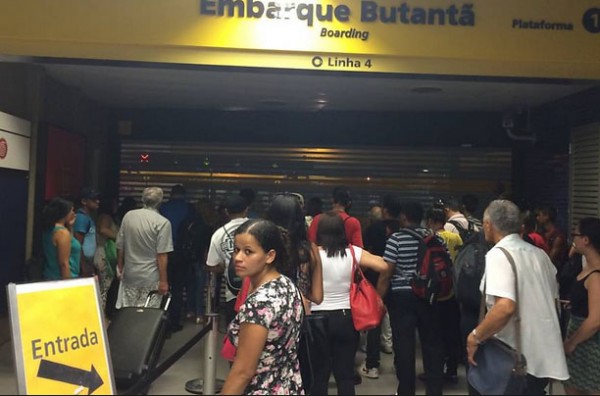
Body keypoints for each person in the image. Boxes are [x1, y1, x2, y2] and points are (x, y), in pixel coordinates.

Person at [466, 199, 569, 394]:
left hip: (513, 359)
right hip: (543, 358)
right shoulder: (540, 255)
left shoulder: (498, 255)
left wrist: (475, 336)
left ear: (488, 225)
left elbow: (505, 307)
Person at [221, 219, 304, 395]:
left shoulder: (259, 305)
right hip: (288, 386)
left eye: (248, 252)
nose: (237, 258)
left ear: (270, 255)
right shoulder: (286, 285)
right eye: (236, 250)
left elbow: (243, 371)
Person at [310, 211, 389, 396]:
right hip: (346, 319)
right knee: (345, 375)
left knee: (319, 375)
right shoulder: (352, 252)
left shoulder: (312, 253)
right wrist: (357, 269)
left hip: (316, 319)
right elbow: (384, 266)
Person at [376, 201, 444, 396]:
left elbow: (386, 273)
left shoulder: (396, 238)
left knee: (404, 347)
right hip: (429, 297)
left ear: (404, 217)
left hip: (402, 297)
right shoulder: (435, 238)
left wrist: (378, 300)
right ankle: (434, 390)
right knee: (431, 345)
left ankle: (406, 390)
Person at [116, 187, 173, 308]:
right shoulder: (163, 223)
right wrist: (163, 281)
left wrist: (120, 267)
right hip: (150, 277)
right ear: (160, 201)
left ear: (142, 199)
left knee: (128, 310)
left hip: (130, 275)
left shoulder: (128, 216)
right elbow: (162, 255)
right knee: (147, 314)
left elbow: (121, 245)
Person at [562, 217, 600, 395]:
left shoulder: (595, 276)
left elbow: (595, 320)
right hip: (580, 339)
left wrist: (571, 342)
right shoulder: (586, 267)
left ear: (586, 240)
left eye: (575, 235)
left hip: (589, 344)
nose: (573, 240)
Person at [265, 193, 323, 310]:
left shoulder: (263, 247)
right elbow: (317, 297)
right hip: (297, 316)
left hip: (266, 312)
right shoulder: (310, 250)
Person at [206, 195, 249, 326]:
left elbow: (211, 265)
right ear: (246, 210)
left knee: (234, 335)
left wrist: (225, 267)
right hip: (259, 289)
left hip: (233, 292)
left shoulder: (219, 234)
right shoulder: (258, 227)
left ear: (226, 212)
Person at [160, 184, 193, 332]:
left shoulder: (162, 208)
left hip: (162, 251)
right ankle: (174, 321)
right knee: (178, 288)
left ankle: (160, 320)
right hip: (181, 253)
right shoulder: (189, 209)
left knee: (162, 285)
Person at [41, 197, 81, 279]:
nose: (74, 213)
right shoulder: (62, 233)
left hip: (50, 275)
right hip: (61, 278)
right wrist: (68, 285)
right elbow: (64, 264)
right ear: (65, 213)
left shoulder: (49, 229)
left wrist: (70, 227)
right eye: (71, 211)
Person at [94, 195, 120, 311]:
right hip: (103, 254)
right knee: (104, 285)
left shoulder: (104, 216)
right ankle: (101, 313)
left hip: (105, 253)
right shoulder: (105, 217)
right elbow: (103, 230)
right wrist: (119, 237)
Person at [73, 187, 100, 277]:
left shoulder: (87, 217)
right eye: (93, 199)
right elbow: (78, 244)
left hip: (88, 261)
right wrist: (83, 266)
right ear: (84, 201)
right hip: (82, 263)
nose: (97, 201)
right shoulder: (81, 218)